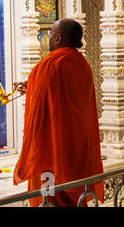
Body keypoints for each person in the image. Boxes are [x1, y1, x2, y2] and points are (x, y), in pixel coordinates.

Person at [13, 18, 104, 207]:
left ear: (59, 38)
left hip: (51, 150)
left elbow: (39, 109)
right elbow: (60, 95)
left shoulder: (49, 65)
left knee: (49, 196)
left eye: (51, 34)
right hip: (76, 148)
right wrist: (32, 87)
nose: (49, 37)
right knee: (74, 194)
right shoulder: (82, 64)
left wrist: (32, 90)